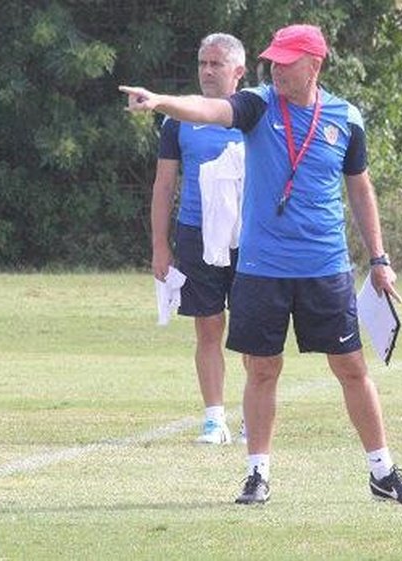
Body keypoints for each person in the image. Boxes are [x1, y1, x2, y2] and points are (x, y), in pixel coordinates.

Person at [121, 23, 402, 506]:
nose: (275, 69)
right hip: (262, 269)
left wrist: (380, 259)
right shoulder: (259, 105)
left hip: (325, 267)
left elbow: (361, 190)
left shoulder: (346, 119)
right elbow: (212, 109)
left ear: (314, 65)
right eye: (273, 61)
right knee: (262, 370)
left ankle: (382, 471)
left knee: (351, 368)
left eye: (286, 61)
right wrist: (161, 101)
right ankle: (257, 474)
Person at [151, 32, 246, 445]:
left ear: (238, 71)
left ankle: (251, 420)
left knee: (252, 331)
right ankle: (214, 419)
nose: (207, 71)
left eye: (217, 64)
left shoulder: (256, 115)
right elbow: (164, 185)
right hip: (196, 234)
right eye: (202, 64)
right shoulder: (179, 120)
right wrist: (160, 245)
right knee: (208, 327)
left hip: (250, 239)